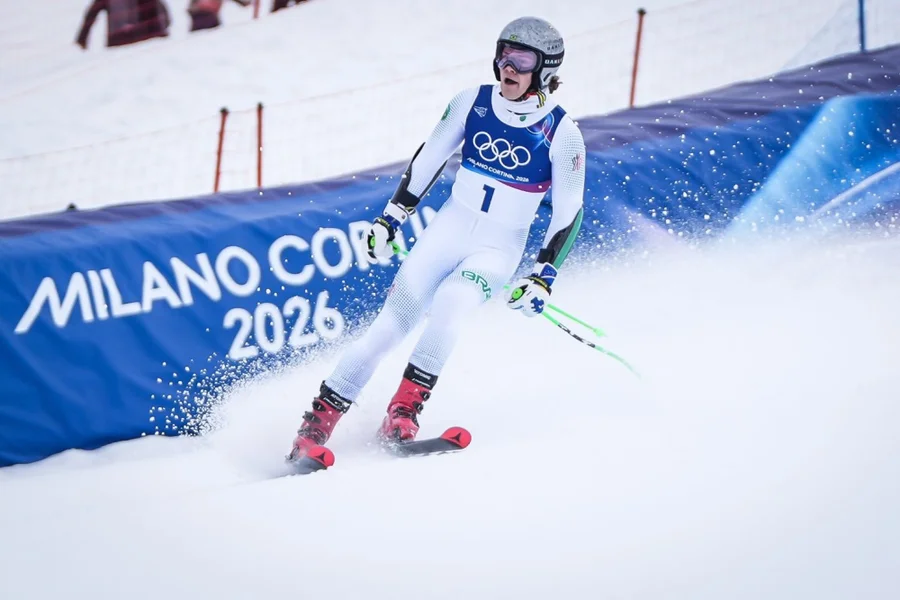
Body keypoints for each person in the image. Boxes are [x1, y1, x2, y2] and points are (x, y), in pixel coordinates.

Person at [287, 16, 586, 461]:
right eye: (503, 54)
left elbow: (568, 212)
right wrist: (391, 218)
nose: (508, 66)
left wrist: (544, 275)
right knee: (388, 329)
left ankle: (402, 414)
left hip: (497, 249)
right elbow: (429, 158)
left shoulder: (562, 133)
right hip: (446, 232)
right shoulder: (472, 102)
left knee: (451, 306)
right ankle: (314, 429)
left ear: (545, 70)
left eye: (521, 60)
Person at [76, 0, 170, 49]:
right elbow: (160, 6)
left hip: (120, 41)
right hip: (151, 37)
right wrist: (165, 23)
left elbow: (92, 12)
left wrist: (82, 38)